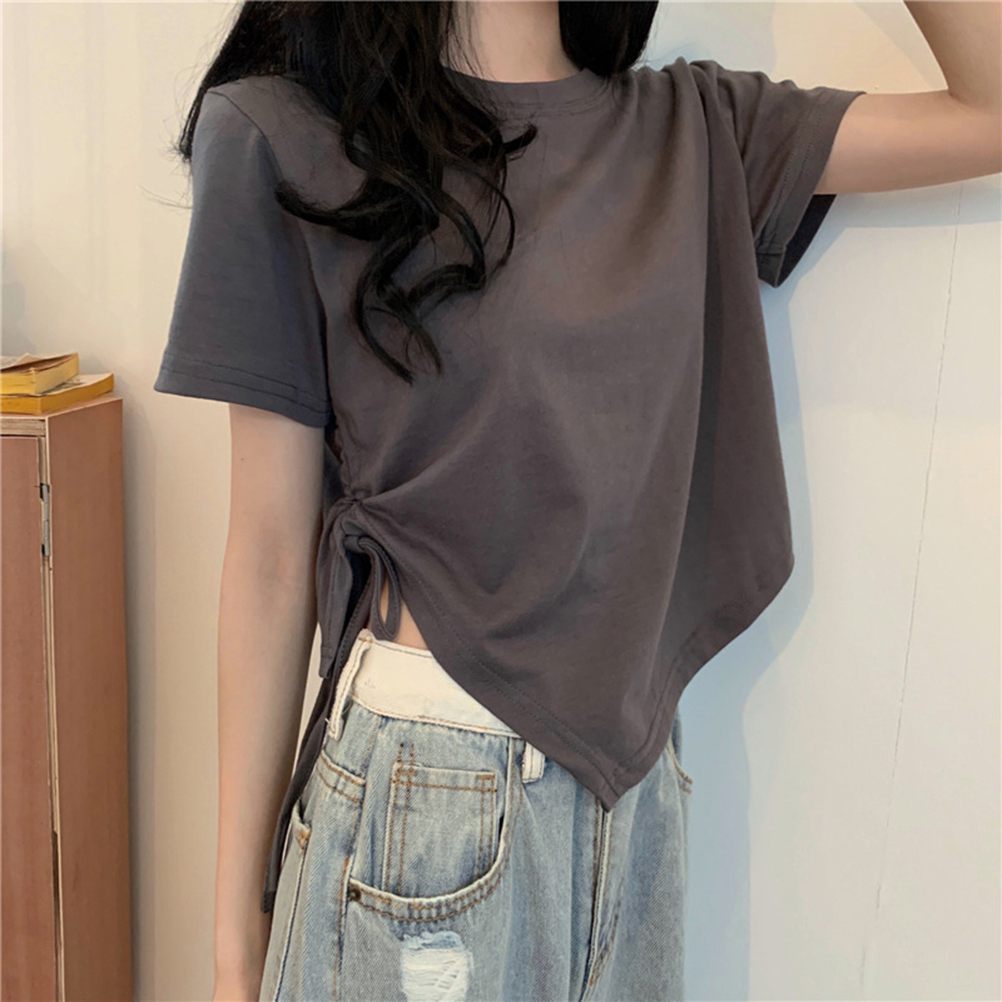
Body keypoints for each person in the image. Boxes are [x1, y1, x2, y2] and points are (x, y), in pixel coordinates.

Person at [152, 2, 1001, 999]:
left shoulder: (693, 131)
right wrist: (234, 939)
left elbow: (989, 111)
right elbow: (266, 552)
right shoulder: (286, 132)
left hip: (636, 801)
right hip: (424, 793)